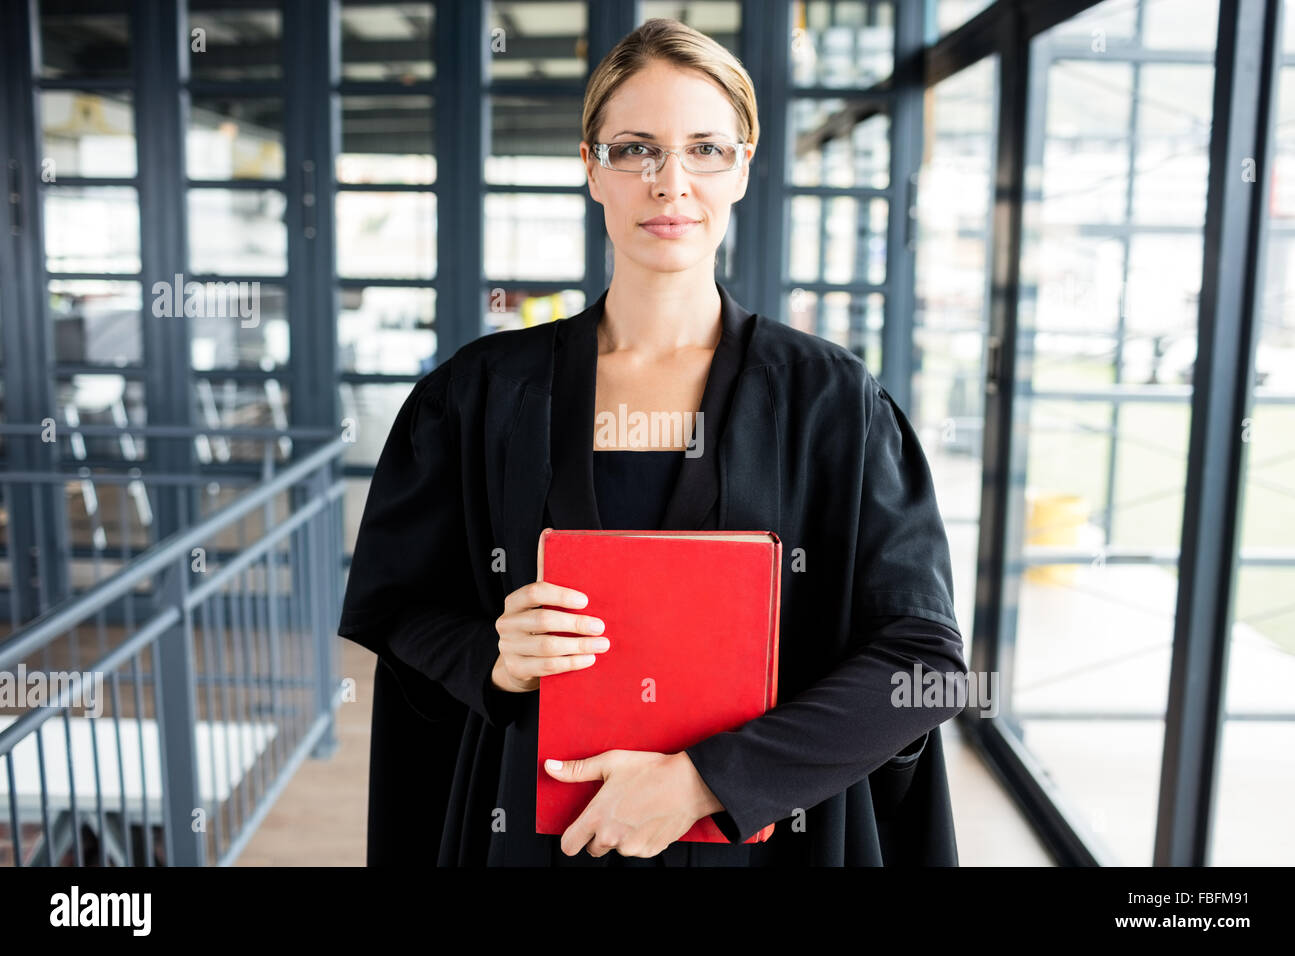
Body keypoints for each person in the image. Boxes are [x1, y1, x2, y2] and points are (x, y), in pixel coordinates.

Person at [338, 18, 969, 867]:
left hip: (763, 840)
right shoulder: (482, 392)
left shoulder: (831, 401)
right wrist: (493, 653)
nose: (670, 184)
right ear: (592, 168)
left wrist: (706, 781)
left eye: (705, 149)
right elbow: (401, 603)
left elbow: (919, 656)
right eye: (635, 149)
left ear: (743, 167)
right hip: (536, 833)